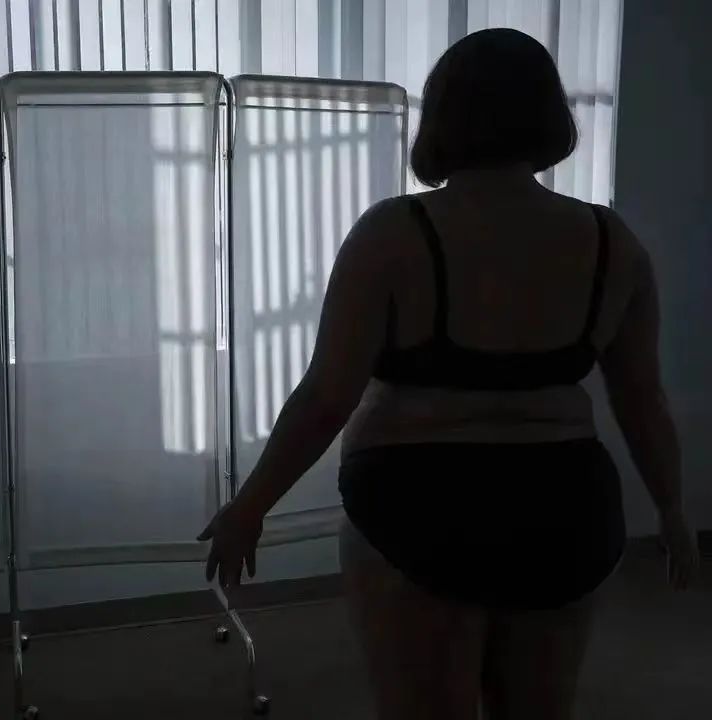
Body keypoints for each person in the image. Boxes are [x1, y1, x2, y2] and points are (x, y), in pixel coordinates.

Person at [198, 28, 700, 719]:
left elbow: (327, 397)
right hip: (564, 508)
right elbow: (642, 398)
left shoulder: (392, 234)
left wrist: (250, 507)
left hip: (418, 503)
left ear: (442, 117)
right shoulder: (613, 242)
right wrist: (673, 509)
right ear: (550, 115)